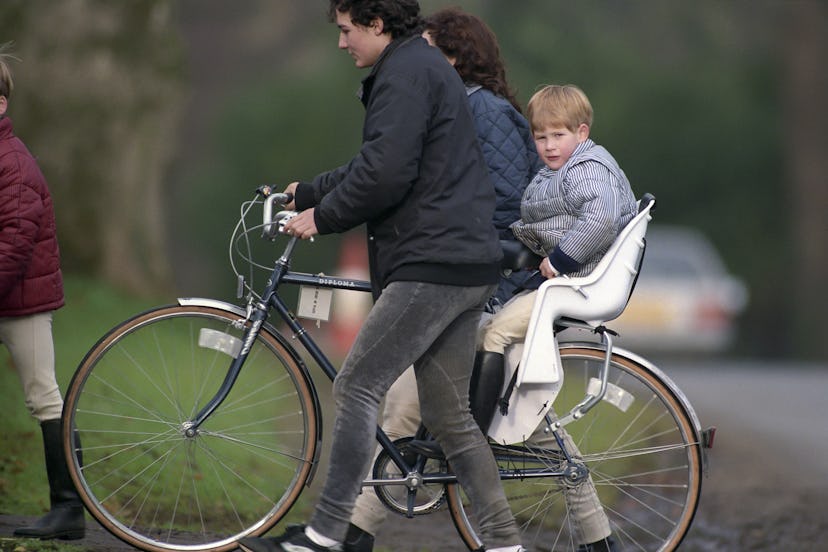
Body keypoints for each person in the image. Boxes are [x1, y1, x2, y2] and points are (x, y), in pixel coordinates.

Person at [237, 2, 524, 552]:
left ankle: (324, 534)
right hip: (464, 263)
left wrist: (322, 218)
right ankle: (505, 544)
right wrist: (312, 189)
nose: (342, 42)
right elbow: (381, 160)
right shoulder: (415, 67)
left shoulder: (406, 74)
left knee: (357, 384)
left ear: (376, 23)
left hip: (433, 265)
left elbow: (385, 174)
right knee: (450, 417)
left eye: (346, 30)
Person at [343, 8, 542, 551]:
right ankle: (354, 530)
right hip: (466, 269)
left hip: (483, 278)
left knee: (406, 400)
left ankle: (348, 531)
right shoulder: (454, 109)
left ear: (454, 57)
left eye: (428, 50)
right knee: (427, 406)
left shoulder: (484, 113)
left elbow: (503, 206)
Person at [478, 83, 638, 552]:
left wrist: (561, 261)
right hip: (561, 281)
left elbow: (601, 218)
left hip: (576, 283)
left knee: (496, 330)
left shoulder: (586, 168)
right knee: (498, 329)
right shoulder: (563, 170)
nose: (548, 145)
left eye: (558, 135)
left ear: (581, 133)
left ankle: (475, 434)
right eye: (540, 136)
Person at [0, 45, 85, 540]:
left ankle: (68, 508)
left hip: (22, 303)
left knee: (44, 397)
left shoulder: (13, 164)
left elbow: (13, 244)